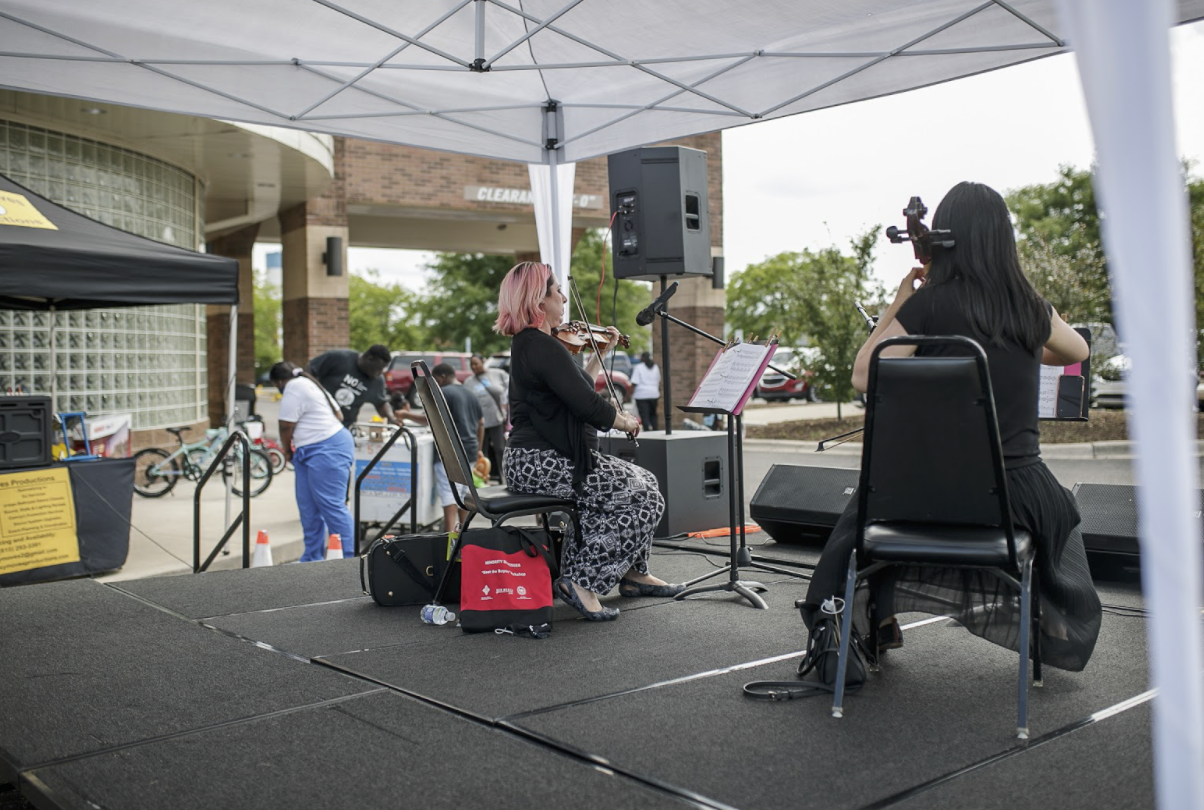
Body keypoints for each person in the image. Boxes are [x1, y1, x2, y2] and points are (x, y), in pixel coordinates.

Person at [801, 181, 1102, 675]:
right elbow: (1078, 352)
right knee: (1060, 510)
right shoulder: (1030, 307)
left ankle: (869, 622)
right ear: (1003, 241)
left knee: (868, 509)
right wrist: (1024, 341)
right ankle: (1050, 626)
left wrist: (900, 301)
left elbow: (862, 376)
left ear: (945, 239)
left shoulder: (928, 306)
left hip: (924, 494)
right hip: (1013, 498)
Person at [495, 261, 680, 622]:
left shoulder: (536, 345)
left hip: (533, 461)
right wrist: (623, 420)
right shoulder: (541, 346)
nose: (563, 298)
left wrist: (600, 355)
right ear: (539, 300)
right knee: (643, 496)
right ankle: (581, 582)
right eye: (556, 292)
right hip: (540, 462)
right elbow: (586, 404)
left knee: (645, 483)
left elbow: (574, 386)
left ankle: (632, 573)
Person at [269, 361, 355, 561]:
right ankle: (312, 557)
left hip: (328, 447)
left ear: (279, 381)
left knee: (332, 506)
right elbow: (339, 414)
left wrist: (285, 449)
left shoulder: (295, 386)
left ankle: (348, 559)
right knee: (308, 507)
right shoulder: (311, 384)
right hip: (309, 449)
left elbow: (285, 425)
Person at [430, 363, 484, 533]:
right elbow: (481, 423)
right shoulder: (471, 394)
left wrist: (404, 414)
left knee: (449, 494)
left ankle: (450, 538)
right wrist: (479, 448)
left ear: (442, 377)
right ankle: (464, 535)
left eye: (435, 380)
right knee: (464, 494)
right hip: (470, 449)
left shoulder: (444, 393)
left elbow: (431, 419)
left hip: (450, 452)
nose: (435, 385)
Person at [308, 344, 414, 429]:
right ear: (369, 358)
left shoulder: (377, 381)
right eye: (378, 368)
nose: (380, 373)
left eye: (383, 369)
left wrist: (391, 418)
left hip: (343, 427)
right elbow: (309, 371)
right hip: (316, 420)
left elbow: (380, 403)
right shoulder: (338, 358)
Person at [468, 354, 508, 483]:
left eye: (476, 363)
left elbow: (511, 388)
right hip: (480, 423)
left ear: (483, 361)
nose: (474, 367)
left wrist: (506, 405)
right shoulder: (469, 382)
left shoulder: (498, 374)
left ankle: (505, 477)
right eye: (472, 365)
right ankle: (483, 479)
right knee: (482, 452)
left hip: (497, 419)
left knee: (500, 449)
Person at [630, 351, 661, 430]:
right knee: (653, 414)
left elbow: (634, 383)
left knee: (644, 415)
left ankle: (647, 431)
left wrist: (628, 395)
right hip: (654, 394)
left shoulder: (639, 367)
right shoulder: (655, 367)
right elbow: (658, 380)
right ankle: (655, 431)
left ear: (643, 358)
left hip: (641, 395)